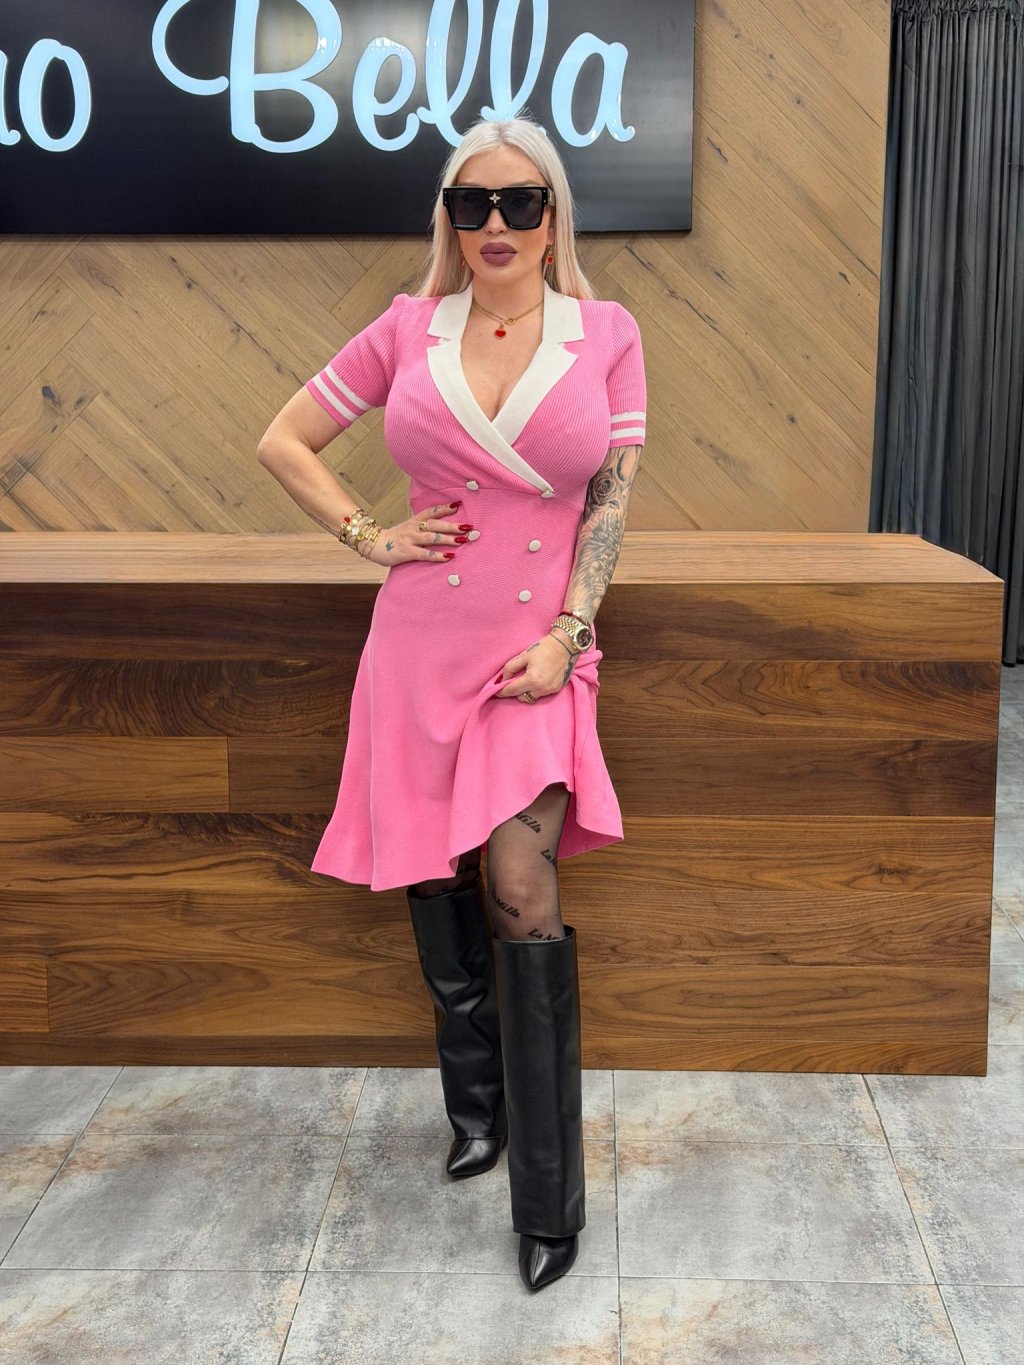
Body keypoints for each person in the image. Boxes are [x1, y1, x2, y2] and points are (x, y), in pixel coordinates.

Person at [256, 112, 646, 1292]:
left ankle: (549, 1202)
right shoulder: (404, 328)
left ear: (552, 218)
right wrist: (368, 534)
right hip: (421, 643)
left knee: (519, 885)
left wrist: (570, 632)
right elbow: (283, 440)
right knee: (431, 873)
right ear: (449, 219)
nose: (495, 223)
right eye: (472, 203)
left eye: (520, 202)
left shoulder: (606, 334)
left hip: (536, 651)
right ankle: (478, 1110)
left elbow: (609, 502)